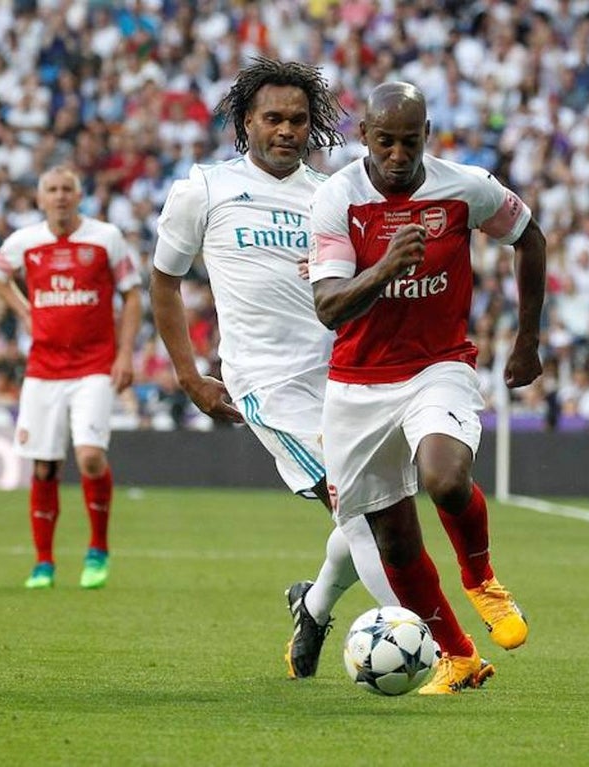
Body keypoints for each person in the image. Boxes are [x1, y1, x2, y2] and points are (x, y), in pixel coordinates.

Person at [308, 82, 547, 695]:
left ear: (426, 136)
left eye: (408, 142)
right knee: (392, 534)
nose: (396, 154)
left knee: (444, 478)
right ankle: (459, 656)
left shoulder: (465, 186)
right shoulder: (336, 199)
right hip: (357, 385)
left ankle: (482, 579)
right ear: (363, 137)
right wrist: (386, 266)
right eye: (384, 141)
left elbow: (530, 238)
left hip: (437, 366)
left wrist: (527, 340)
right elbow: (329, 307)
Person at [150, 58, 362, 680]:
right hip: (268, 384)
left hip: (343, 378)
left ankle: (314, 605)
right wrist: (188, 374)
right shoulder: (206, 188)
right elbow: (164, 280)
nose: (287, 130)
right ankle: (429, 636)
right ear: (247, 122)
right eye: (273, 118)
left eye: (298, 119)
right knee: (359, 507)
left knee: (380, 504)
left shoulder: (329, 195)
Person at [0, 165, 142, 590]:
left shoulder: (105, 237)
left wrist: (125, 353)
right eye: (51, 190)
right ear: (40, 199)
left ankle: (97, 550)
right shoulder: (25, 241)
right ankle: (44, 562)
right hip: (43, 368)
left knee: (89, 456)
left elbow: (132, 295)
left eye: (66, 189)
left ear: (79, 195)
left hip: (94, 364)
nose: (59, 196)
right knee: (45, 466)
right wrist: (24, 311)